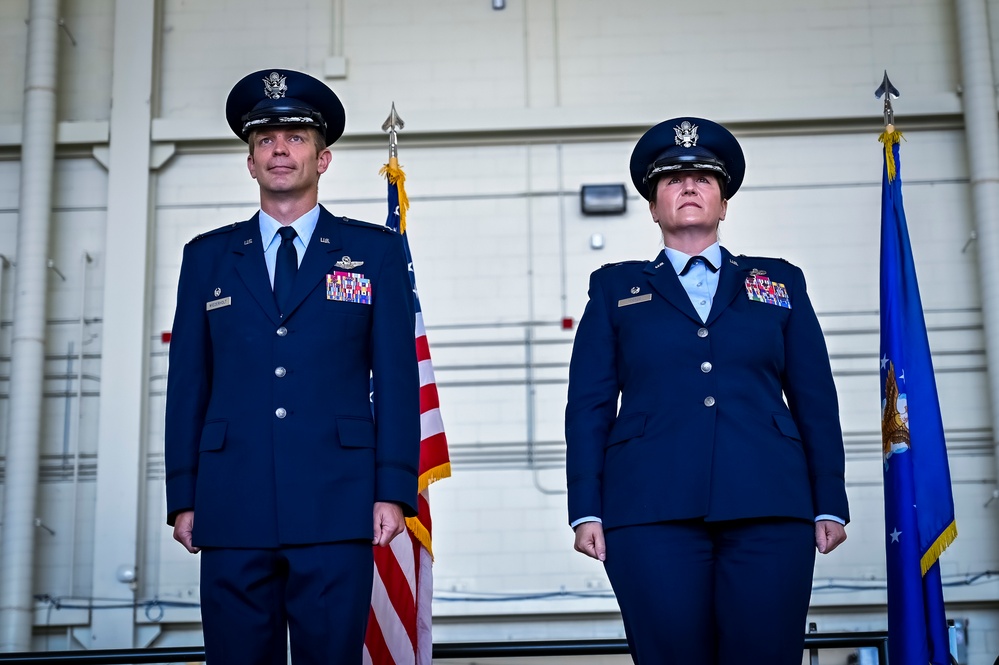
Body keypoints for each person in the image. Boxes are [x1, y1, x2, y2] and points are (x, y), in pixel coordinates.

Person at [565, 117, 849, 665]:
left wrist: (829, 500)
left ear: (723, 202)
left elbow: (815, 397)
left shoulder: (779, 282)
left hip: (769, 502)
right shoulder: (614, 287)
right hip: (649, 509)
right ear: (653, 207)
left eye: (703, 178)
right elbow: (589, 406)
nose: (688, 186)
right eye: (672, 179)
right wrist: (586, 508)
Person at [164, 68, 420, 665]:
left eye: (296, 137)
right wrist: (184, 495)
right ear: (250, 163)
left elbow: (398, 381)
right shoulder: (206, 258)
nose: (280, 149)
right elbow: (188, 384)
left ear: (323, 158)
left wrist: (393, 490)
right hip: (231, 501)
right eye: (265, 140)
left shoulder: (374, 253)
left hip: (339, 499)